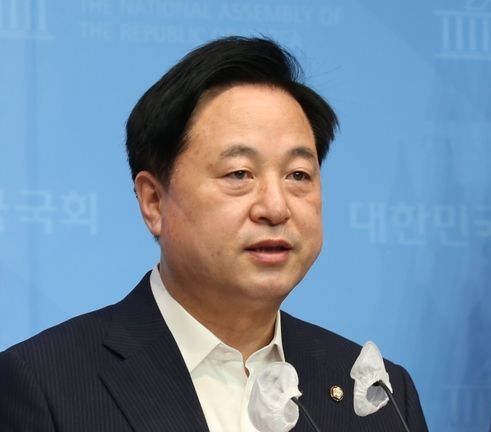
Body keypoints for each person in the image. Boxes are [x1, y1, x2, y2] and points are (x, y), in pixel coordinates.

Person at [0, 36, 428, 431]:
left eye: (298, 175)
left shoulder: (377, 394)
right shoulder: (44, 385)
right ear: (154, 202)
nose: (276, 207)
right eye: (239, 173)